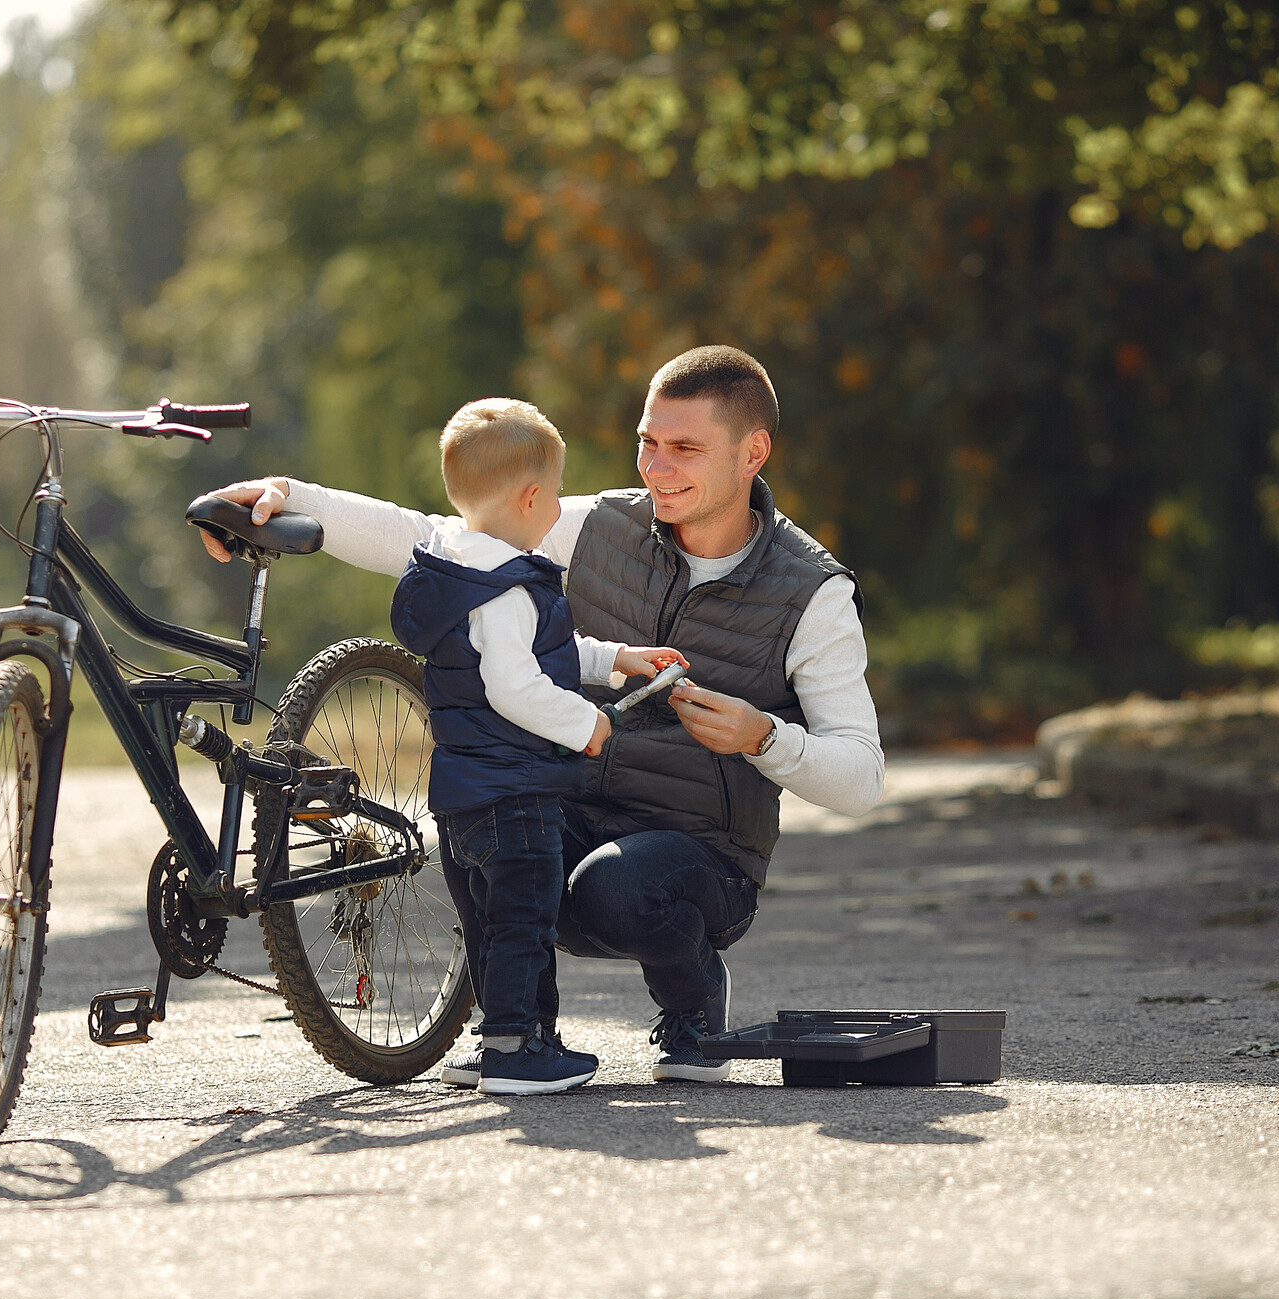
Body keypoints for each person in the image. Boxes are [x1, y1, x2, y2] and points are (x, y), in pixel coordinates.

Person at [201, 346, 885, 1083]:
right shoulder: (599, 528)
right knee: (475, 824)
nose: (656, 468)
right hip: (566, 805)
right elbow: (441, 538)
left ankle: (692, 999)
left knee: (612, 888)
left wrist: (764, 736)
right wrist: (289, 495)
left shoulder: (811, 591)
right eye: (648, 443)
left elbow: (862, 777)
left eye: (685, 448)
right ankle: (519, 1035)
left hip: (701, 856)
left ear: (753, 452)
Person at [388, 398, 686, 1095]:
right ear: (528, 498)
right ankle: (520, 1049)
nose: (557, 509)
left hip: (462, 793)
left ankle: (503, 1036)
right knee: (526, 916)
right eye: (552, 495)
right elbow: (516, 686)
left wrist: (614, 658)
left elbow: (541, 654)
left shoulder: (457, 573)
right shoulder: (510, 589)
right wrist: (588, 726)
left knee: (490, 921)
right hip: (514, 788)